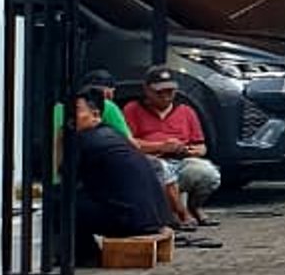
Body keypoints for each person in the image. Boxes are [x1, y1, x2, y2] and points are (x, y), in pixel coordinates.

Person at [69, 85, 174, 263]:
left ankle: (84, 255)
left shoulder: (86, 140)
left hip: (130, 220)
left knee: (61, 205)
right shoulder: (114, 135)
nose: (69, 119)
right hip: (153, 217)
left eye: (77, 112)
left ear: (95, 115)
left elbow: (67, 180)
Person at [123, 66, 224, 232]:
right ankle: (179, 214)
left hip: (180, 161)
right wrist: (160, 146)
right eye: (160, 92)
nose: (166, 96)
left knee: (207, 173)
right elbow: (128, 143)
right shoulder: (132, 109)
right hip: (152, 162)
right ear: (147, 90)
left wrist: (188, 150)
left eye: (170, 91)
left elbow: (201, 146)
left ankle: (194, 206)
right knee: (161, 169)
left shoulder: (186, 111)